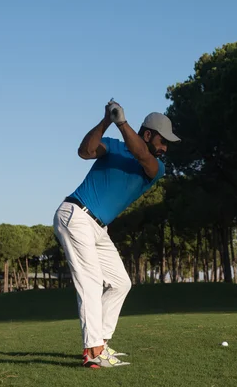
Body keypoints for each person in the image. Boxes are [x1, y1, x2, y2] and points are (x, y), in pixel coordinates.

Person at [53, 99, 180, 368]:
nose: (165, 148)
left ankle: (102, 343)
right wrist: (106, 121)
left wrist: (122, 122)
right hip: (76, 215)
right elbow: (84, 151)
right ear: (148, 134)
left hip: (98, 228)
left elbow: (144, 157)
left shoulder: (156, 167)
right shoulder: (113, 145)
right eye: (163, 141)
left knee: (121, 283)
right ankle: (94, 352)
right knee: (90, 282)